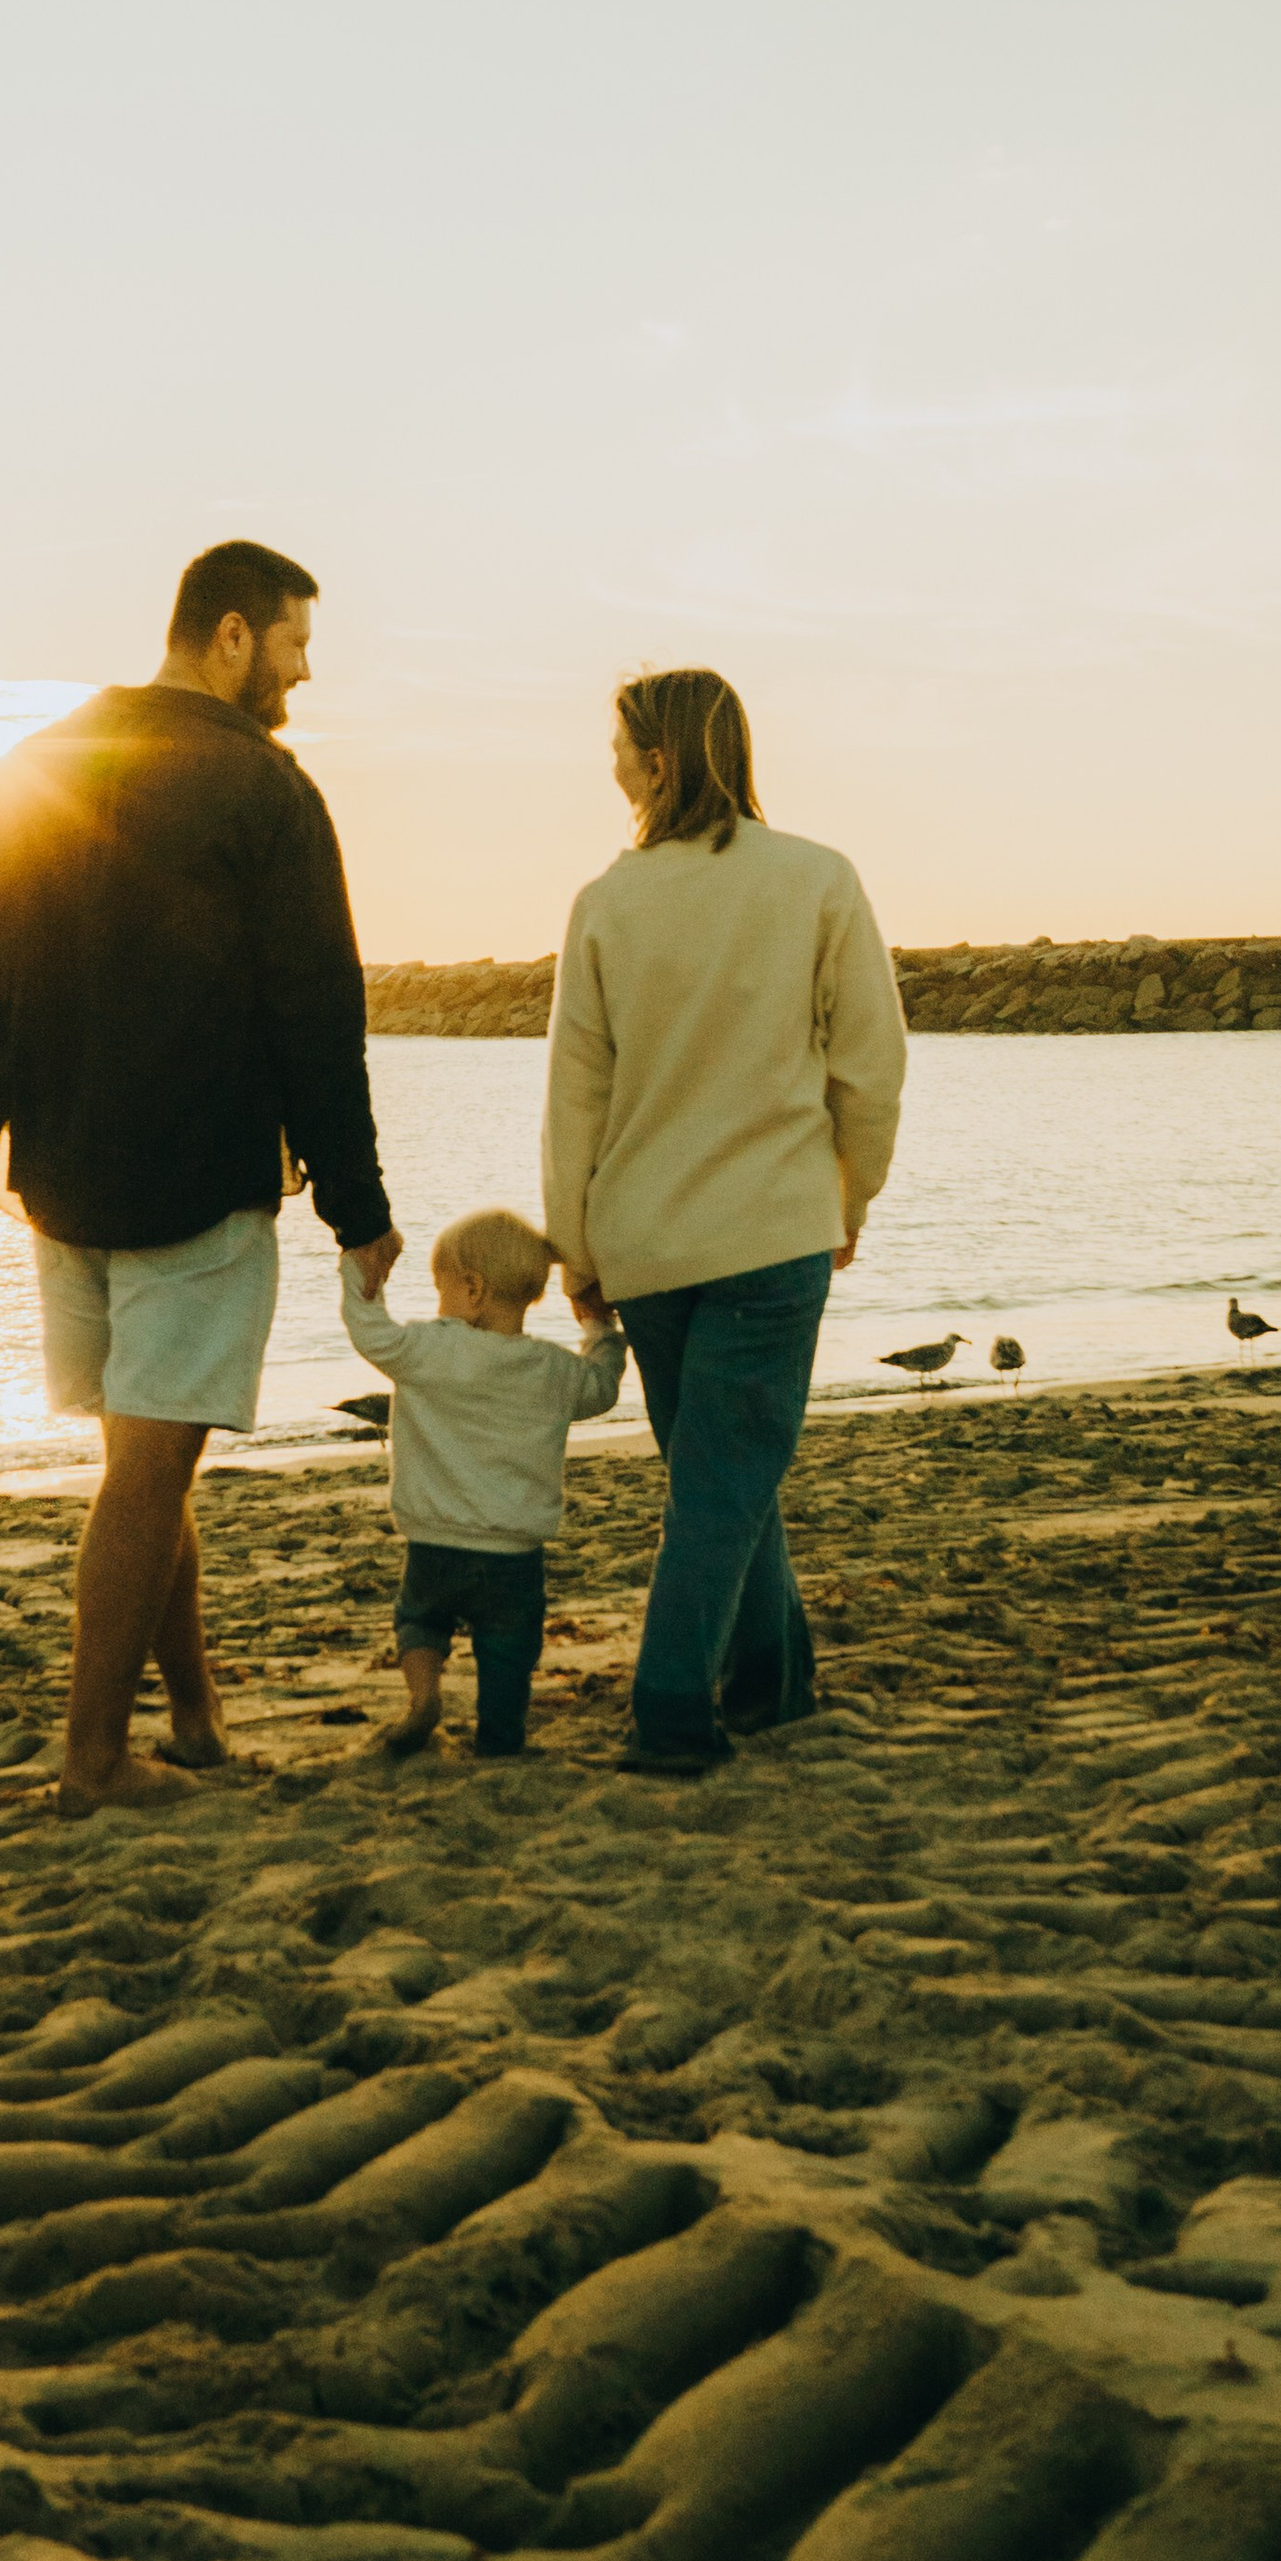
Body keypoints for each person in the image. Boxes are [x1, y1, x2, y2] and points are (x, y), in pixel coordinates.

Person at [0, 542, 401, 1817]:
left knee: (142, 1452)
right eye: (292, 645)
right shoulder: (266, 790)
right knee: (147, 1471)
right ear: (228, 635)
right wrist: (361, 1209)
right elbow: (315, 1014)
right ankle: (92, 1761)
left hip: (56, 1177)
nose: (299, 673)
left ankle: (193, 1714)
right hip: (196, 1185)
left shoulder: (37, 763)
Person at [542, 665, 907, 1776]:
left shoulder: (606, 903)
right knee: (725, 1478)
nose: (606, 763)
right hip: (770, 1232)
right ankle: (686, 1701)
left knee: (717, 1475)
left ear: (659, 760)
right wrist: (853, 1194)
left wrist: (578, 1247)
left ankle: (753, 1686)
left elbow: (576, 1097)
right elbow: (871, 1070)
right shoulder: (816, 879)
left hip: (650, 1243)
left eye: (617, 745)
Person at [338, 1207, 626, 1761]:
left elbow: (369, 1332)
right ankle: (500, 1739)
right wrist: (599, 1327)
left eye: (441, 1288)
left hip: (433, 1541)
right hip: (514, 1552)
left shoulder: (431, 1349)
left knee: (420, 1620)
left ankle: (424, 1701)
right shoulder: (552, 1369)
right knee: (509, 1648)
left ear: (471, 1289)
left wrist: (360, 1269)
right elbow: (602, 1387)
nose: (440, 1302)